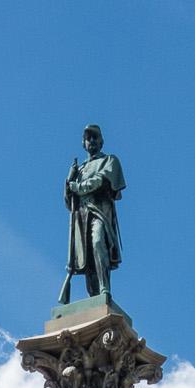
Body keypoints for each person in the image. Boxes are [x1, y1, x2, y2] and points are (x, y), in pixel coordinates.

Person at [57, 124, 125, 305]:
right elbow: (68, 202)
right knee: (85, 256)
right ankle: (93, 296)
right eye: (88, 138)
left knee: (97, 242)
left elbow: (102, 180)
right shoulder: (79, 170)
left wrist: (78, 187)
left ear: (101, 141)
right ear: (84, 143)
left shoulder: (110, 160)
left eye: (95, 137)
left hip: (99, 211)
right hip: (82, 215)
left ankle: (104, 288)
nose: (92, 141)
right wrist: (69, 180)